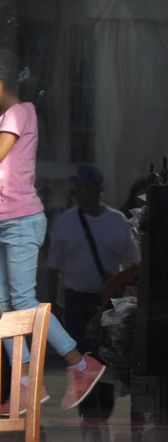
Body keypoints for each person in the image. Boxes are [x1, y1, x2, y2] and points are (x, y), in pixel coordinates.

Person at [0, 61, 105, 411]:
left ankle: (79, 363)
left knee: (23, 301)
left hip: (19, 220)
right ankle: (26, 384)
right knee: (3, 306)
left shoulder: (19, 112)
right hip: (4, 220)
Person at [47, 164, 140, 419]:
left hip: (106, 302)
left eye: (85, 186)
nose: (80, 191)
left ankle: (103, 415)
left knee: (106, 360)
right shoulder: (65, 222)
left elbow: (132, 263)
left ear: (98, 190)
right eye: (77, 186)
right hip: (76, 301)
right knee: (80, 358)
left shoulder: (116, 221)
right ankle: (88, 417)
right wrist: (50, 303)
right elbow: (53, 267)